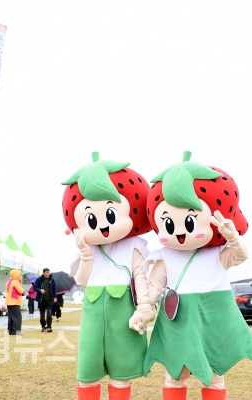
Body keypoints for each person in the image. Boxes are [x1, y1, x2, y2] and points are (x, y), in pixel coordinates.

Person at [143, 152, 252, 400]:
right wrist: (144, 308)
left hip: (213, 315)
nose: (179, 233)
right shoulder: (164, 255)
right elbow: (154, 285)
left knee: (215, 373)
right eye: (168, 223)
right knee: (175, 373)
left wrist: (232, 237)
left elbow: (241, 256)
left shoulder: (218, 252)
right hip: (177, 319)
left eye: (189, 222)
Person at [62, 152, 155, 400]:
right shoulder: (88, 247)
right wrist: (86, 254)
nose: (103, 225)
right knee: (88, 371)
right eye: (91, 217)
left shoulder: (134, 245)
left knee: (121, 371)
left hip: (123, 308)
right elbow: (82, 281)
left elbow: (140, 276)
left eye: (111, 214)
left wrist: (144, 306)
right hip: (93, 308)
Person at [33, 268, 57, 332]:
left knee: (49, 313)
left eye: (49, 272)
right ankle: (43, 326)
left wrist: (55, 297)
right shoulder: (39, 279)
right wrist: (40, 290)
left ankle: (49, 327)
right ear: (43, 273)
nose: (48, 274)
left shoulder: (52, 280)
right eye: (47, 272)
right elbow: (35, 287)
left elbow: (54, 289)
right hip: (41, 300)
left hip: (49, 299)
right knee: (42, 315)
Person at [5, 270, 25, 336]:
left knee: (11, 317)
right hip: (14, 301)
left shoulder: (8, 282)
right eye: (19, 275)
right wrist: (23, 289)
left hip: (9, 301)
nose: (20, 276)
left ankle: (10, 331)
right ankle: (17, 332)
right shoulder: (16, 282)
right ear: (16, 275)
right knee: (18, 317)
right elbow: (21, 291)